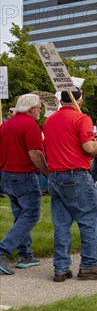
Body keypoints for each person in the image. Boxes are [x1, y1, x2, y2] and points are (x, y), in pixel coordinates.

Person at [43, 89, 97, 282]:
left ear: (59, 101)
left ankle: (60, 268)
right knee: (89, 221)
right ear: (79, 101)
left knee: (61, 224)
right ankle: (89, 265)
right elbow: (88, 147)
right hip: (76, 174)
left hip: (55, 176)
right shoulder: (82, 118)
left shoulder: (49, 121)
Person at [0, 94, 48, 275]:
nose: (40, 110)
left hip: (6, 174)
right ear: (30, 109)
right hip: (23, 175)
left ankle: (25, 254)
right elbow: (35, 153)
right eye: (38, 107)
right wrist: (48, 173)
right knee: (30, 214)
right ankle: (3, 250)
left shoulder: (6, 125)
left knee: (20, 215)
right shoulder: (30, 125)